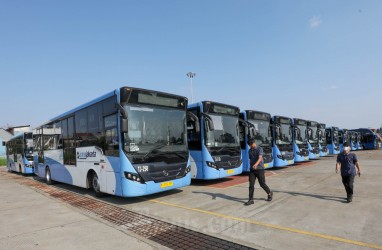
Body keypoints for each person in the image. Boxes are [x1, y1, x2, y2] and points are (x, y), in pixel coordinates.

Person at [244, 138, 273, 205]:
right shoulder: (249, 151)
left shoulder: (259, 149)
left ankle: (269, 193)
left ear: (254, 143)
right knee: (251, 185)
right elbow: (251, 159)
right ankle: (251, 200)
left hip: (260, 169)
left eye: (251, 144)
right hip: (252, 170)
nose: (251, 146)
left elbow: (260, 158)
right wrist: (251, 166)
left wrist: (256, 164)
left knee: (262, 184)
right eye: (249, 145)